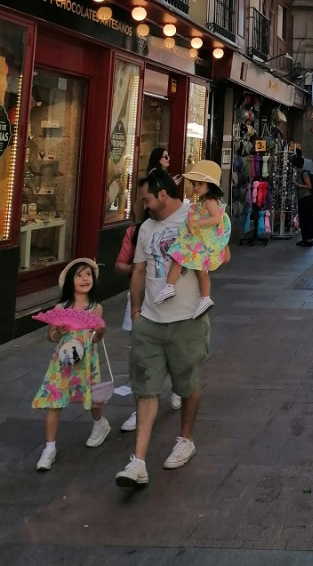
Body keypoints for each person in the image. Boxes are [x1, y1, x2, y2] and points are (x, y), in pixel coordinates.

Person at [115, 167, 211, 488]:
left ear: (163, 195)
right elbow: (139, 271)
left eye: (146, 199)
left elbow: (216, 251)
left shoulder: (192, 215)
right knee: (145, 387)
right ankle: (138, 461)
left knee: (187, 385)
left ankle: (186, 438)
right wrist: (137, 310)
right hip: (151, 321)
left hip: (187, 320)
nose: (143, 205)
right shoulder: (145, 229)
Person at [32, 258, 110, 471]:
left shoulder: (95, 308)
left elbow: (95, 338)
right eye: (79, 275)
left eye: (88, 275)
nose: (85, 279)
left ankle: (100, 424)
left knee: (92, 398)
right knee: (54, 400)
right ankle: (49, 448)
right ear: (69, 281)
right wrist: (60, 332)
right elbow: (52, 336)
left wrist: (98, 333)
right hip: (63, 361)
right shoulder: (61, 307)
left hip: (86, 360)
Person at [115, 178, 181, 431]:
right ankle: (139, 407)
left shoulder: (180, 224)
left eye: (148, 199)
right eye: (144, 201)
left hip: (171, 300)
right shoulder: (136, 232)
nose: (147, 205)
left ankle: (177, 386)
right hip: (142, 300)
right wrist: (139, 268)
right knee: (141, 356)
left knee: (172, 350)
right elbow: (120, 265)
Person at [153, 161, 230, 319]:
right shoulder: (206, 201)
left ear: (210, 184)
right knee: (199, 269)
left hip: (201, 238)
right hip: (201, 238)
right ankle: (204, 297)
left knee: (178, 255)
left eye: (199, 184)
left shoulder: (208, 202)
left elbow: (216, 219)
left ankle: (170, 286)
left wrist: (197, 222)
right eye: (194, 184)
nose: (195, 188)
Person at [292, 148, 313, 247]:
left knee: (307, 219)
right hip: (302, 198)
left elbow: (309, 186)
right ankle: (305, 238)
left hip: (306, 198)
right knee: (303, 219)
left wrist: (299, 185)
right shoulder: (299, 171)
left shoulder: (304, 173)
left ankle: (308, 239)